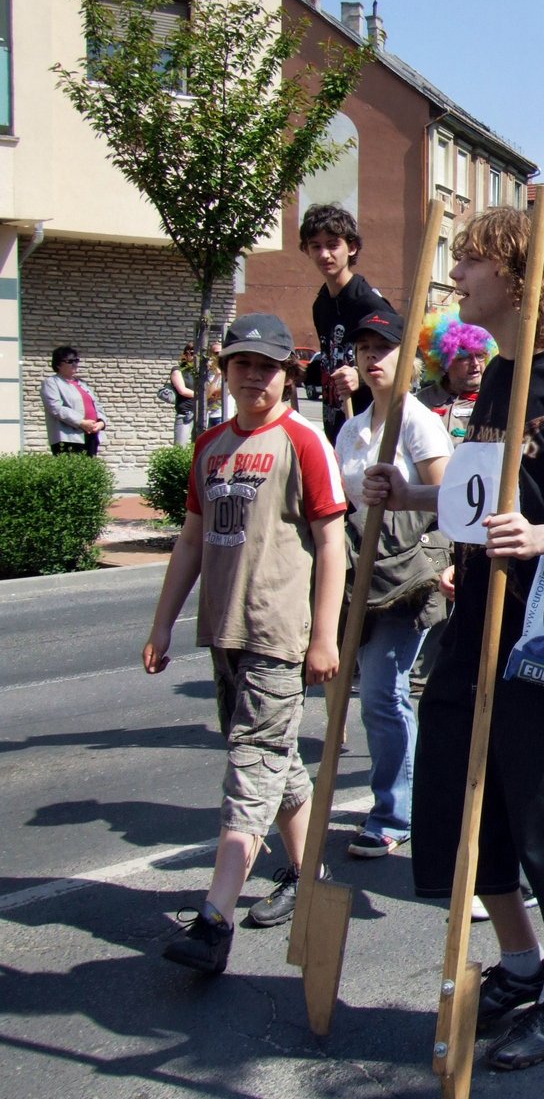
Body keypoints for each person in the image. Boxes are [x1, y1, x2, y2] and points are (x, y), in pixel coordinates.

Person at [362, 206, 544, 1072]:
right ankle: (518, 964)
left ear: (518, 278)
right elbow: (477, 502)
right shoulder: (497, 378)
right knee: (457, 807)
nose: (456, 277)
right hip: (475, 622)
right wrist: (410, 495)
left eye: (471, 263)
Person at [142, 313, 346, 973]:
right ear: (225, 371)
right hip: (223, 633)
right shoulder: (210, 446)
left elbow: (332, 544)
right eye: (242, 364)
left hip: (278, 634)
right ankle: (308, 873)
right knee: (273, 761)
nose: (254, 375)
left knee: (251, 767)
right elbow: (191, 541)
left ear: (288, 375)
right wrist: (162, 623)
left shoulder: (304, 442)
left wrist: (324, 635)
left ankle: (215, 919)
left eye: (267, 366)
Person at [333, 310, 453, 859]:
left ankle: (394, 812)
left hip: (409, 576)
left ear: (409, 357)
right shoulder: (351, 429)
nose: (371, 358)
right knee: (372, 694)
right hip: (361, 575)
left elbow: (450, 499)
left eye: (383, 348)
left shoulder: (418, 422)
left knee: (383, 690)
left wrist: (449, 561)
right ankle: (401, 799)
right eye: (364, 349)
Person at [301, 203, 397, 442]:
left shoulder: (369, 303)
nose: (324, 254)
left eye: (333, 245)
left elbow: (408, 361)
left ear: (352, 247)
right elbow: (330, 360)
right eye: (316, 246)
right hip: (336, 427)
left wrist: (360, 376)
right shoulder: (321, 304)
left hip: (370, 429)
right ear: (306, 250)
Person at [416, 307, 495, 441]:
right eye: (464, 357)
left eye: (480, 355)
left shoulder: (495, 399)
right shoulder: (422, 401)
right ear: (444, 362)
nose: (475, 363)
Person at [41, 346, 106, 455]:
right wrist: (81, 422)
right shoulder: (51, 382)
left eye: (76, 360)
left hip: (91, 434)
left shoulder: (82, 383)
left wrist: (101, 422)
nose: (75, 364)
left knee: (89, 465)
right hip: (68, 438)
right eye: (70, 361)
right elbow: (55, 408)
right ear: (58, 364)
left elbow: (97, 405)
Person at [171, 344, 199, 446]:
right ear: (185, 355)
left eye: (196, 354)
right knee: (180, 446)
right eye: (191, 353)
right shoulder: (178, 370)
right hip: (185, 413)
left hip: (201, 414)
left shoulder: (200, 372)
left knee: (200, 447)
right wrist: (203, 395)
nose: (194, 356)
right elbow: (182, 390)